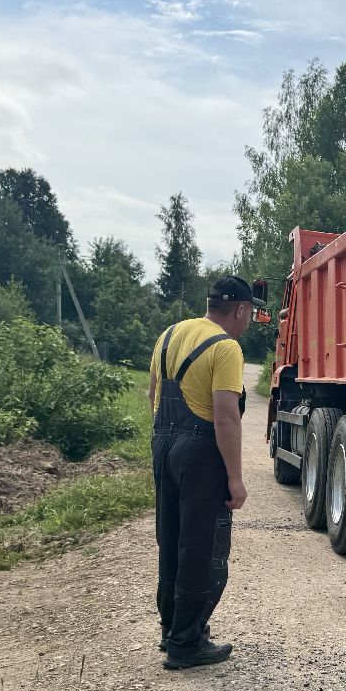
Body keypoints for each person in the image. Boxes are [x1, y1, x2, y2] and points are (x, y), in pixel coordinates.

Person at [147, 275, 261, 670]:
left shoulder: (169, 334)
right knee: (200, 547)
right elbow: (226, 418)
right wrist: (235, 478)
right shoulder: (226, 348)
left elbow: (152, 397)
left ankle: (171, 628)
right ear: (241, 309)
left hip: (164, 445)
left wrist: (166, 445)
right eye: (250, 314)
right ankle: (187, 642)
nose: (248, 322)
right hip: (199, 453)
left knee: (172, 538)